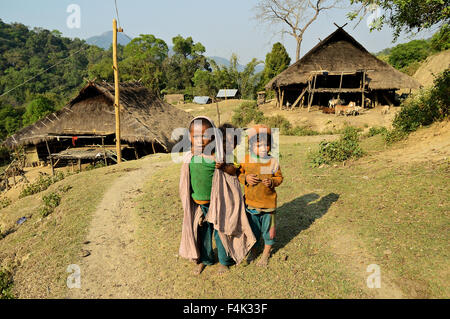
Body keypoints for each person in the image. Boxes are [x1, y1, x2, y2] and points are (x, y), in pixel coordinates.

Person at [178, 117, 256, 275]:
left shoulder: (217, 156)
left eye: (204, 136)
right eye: (195, 136)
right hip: (198, 204)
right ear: (189, 136)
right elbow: (186, 179)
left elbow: (234, 172)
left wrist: (224, 167)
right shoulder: (190, 156)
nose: (200, 140)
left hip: (217, 203)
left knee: (221, 232)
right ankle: (204, 260)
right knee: (202, 234)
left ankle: (224, 261)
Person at [238, 124, 283, 267]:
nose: (264, 148)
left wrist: (273, 181)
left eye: (267, 145)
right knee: (252, 229)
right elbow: (239, 174)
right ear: (250, 146)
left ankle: (266, 253)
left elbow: (279, 177)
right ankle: (254, 249)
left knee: (269, 231)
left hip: (268, 205)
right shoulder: (245, 160)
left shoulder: (273, 161)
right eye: (259, 145)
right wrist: (245, 178)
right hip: (251, 204)